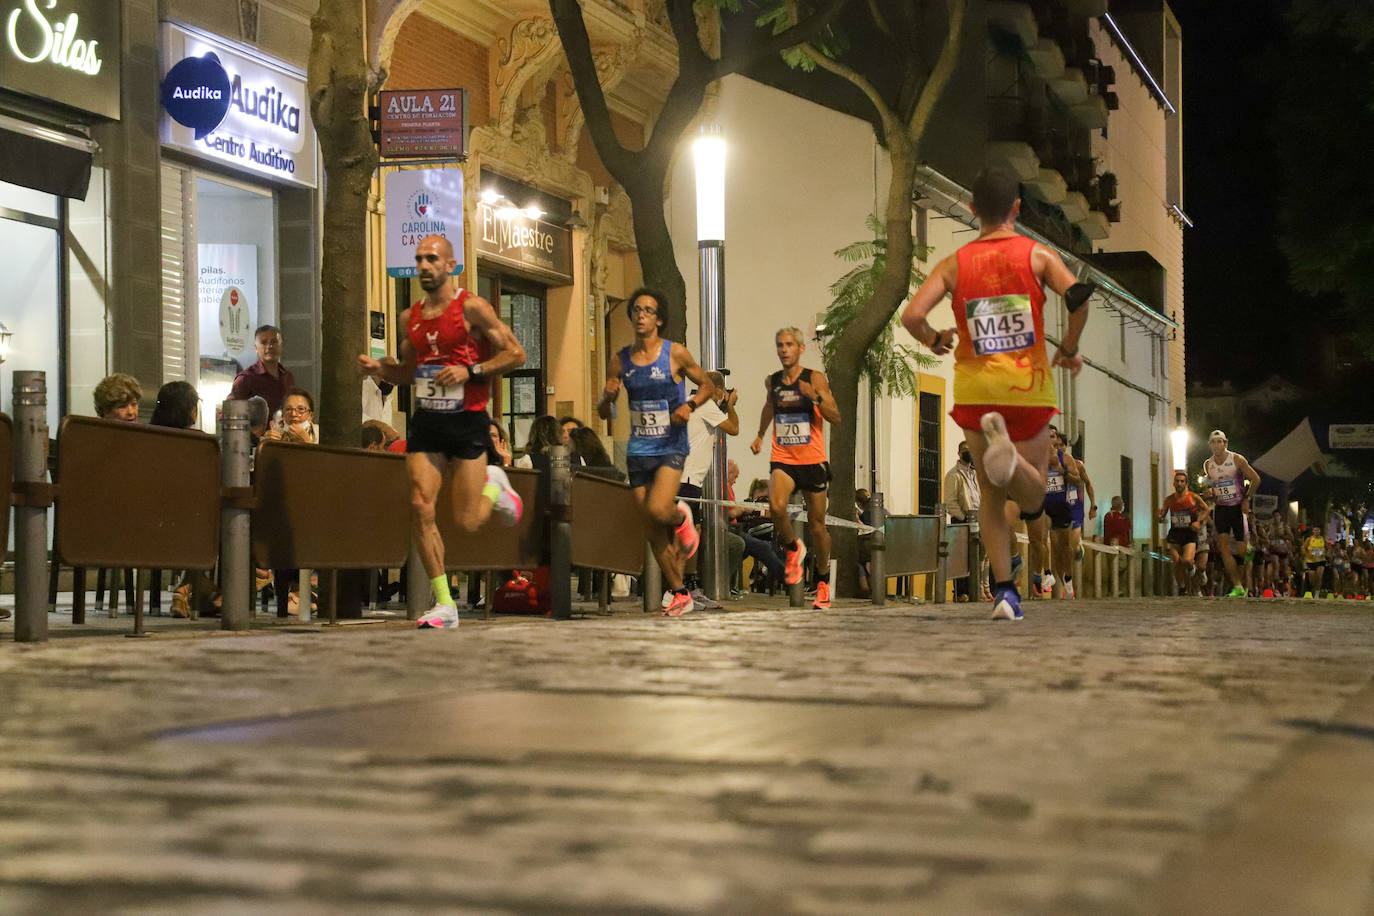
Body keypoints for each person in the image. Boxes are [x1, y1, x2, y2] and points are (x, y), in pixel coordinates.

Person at [901, 166, 1091, 621]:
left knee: (989, 494)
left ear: (971, 210)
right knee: (1029, 500)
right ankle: (1013, 457)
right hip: (1027, 390)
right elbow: (1080, 298)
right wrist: (1068, 349)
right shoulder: (1037, 256)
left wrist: (934, 340)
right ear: (1017, 209)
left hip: (976, 389)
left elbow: (911, 315)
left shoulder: (954, 263)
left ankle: (1005, 592)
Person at [357, 234, 526, 630]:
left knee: (467, 520)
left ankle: (495, 485)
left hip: (467, 420)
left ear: (451, 265)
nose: (424, 266)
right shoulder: (408, 318)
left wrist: (472, 370)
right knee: (420, 505)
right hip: (428, 421)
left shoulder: (472, 307)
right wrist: (380, 369)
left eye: (432, 259)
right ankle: (445, 604)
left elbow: (516, 353)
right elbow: (409, 373)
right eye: (418, 259)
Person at [596, 287, 714, 617]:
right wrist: (607, 397)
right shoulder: (619, 359)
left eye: (648, 310)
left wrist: (689, 406)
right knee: (648, 524)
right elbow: (604, 412)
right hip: (639, 449)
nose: (641, 315)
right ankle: (680, 593)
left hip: (670, 445)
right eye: (636, 310)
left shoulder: (675, 353)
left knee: (661, 509)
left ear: (659, 319)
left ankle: (681, 516)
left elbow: (707, 385)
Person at [750, 327, 842, 609]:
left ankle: (823, 580)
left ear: (801, 348)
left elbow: (835, 416)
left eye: (789, 344)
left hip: (812, 461)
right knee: (776, 507)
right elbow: (769, 407)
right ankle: (793, 549)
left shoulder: (814, 378)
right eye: (780, 345)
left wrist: (813, 397)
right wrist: (760, 434)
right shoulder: (773, 381)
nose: (784, 349)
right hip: (784, 459)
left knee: (817, 526)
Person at [1202, 429, 1262, 598]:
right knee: (1223, 547)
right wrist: (1210, 492)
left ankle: (1249, 551)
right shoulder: (1208, 464)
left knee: (1242, 551)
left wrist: (1246, 498)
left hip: (1237, 508)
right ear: (1209, 445)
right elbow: (1214, 485)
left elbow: (1256, 479)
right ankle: (1238, 586)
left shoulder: (1237, 459)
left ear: (1225, 443)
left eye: (1219, 441)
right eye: (1213, 442)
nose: (1216, 445)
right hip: (1221, 508)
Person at [1157, 470, 1209, 595]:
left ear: (1186, 484)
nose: (1179, 484)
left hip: (1189, 533)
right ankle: (1182, 589)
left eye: (1182, 481)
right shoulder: (1169, 500)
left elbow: (1207, 509)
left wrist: (1199, 522)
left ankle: (1195, 571)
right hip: (1175, 533)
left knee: (1187, 561)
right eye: (1177, 481)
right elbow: (1162, 514)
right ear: (1174, 483)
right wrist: (1160, 517)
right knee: (1176, 561)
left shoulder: (1193, 497)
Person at [230, 325, 296, 415]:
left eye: (274, 341)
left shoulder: (288, 377)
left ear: (281, 345)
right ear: (256, 348)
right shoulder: (246, 379)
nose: (269, 346)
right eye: (264, 342)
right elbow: (228, 414)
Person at [943, 441, 980, 600]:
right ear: (959, 453)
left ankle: (977, 590)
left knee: (978, 557)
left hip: (977, 519)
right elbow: (950, 502)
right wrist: (964, 518)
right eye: (965, 450)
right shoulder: (954, 475)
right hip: (962, 520)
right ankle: (960, 592)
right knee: (961, 558)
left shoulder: (974, 473)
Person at [1301, 526, 1326, 597]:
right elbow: (1303, 548)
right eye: (1315, 530)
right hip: (1311, 561)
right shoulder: (1309, 539)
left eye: (1318, 530)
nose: (1316, 532)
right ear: (1313, 531)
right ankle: (1313, 589)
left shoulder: (1322, 539)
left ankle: (1317, 593)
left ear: (1320, 531)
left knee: (1319, 575)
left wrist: (1326, 553)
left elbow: (1327, 547)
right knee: (1312, 578)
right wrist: (1307, 555)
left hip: (1321, 560)